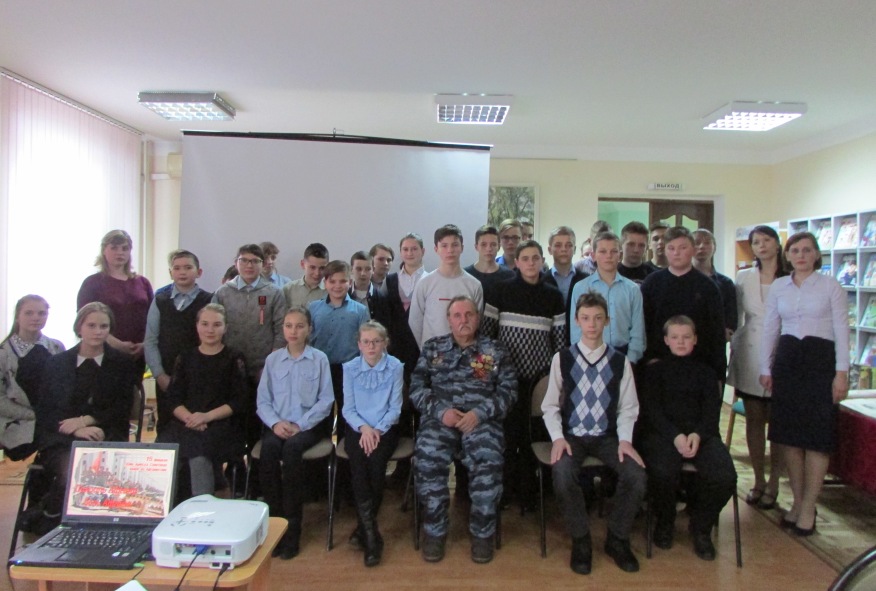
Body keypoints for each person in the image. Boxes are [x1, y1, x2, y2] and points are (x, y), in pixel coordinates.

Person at [542, 292, 646, 575]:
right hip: (572, 436)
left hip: (607, 437)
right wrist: (557, 437)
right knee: (562, 474)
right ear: (577, 321)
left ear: (607, 321)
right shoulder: (563, 359)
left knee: (636, 475)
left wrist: (625, 441)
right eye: (586, 318)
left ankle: (617, 538)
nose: (592, 324)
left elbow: (628, 407)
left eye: (598, 318)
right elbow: (549, 405)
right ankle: (581, 539)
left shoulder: (619, 361)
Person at [412, 296, 517, 564]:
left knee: (488, 459)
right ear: (449, 320)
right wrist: (441, 412)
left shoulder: (495, 350)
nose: (463, 320)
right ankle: (435, 530)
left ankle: (483, 532)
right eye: (457, 315)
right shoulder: (433, 348)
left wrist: (479, 413)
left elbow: (508, 391)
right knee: (427, 457)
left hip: (481, 421)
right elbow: (416, 388)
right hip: (441, 421)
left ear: (478, 318)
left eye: (469, 314)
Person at [760, 231, 849, 537]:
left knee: (816, 438)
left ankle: (809, 506)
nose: (801, 255)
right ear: (787, 256)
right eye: (795, 250)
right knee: (790, 437)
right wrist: (766, 366)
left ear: (817, 255)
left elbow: (842, 331)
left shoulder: (831, 286)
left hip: (820, 361)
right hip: (788, 361)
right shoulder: (779, 287)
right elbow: (771, 327)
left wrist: (841, 373)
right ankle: (797, 501)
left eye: (807, 250)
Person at [640, 316, 737, 561]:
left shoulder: (706, 373)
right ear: (666, 340)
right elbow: (652, 411)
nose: (680, 342)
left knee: (725, 476)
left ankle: (701, 527)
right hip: (665, 435)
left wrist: (697, 435)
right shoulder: (654, 372)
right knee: (662, 471)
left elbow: (711, 412)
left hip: (701, 435)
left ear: (694, 339)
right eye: (675, 337)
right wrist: (675, 436)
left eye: (686, 337)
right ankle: (665, 520)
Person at [35, 302, 138, 529]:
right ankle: (56, 520)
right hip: (62, 437)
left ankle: (87, 525)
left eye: (104, 326)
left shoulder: (121, 363)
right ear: (79, 327)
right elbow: (46, 410)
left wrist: (88, 421)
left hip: (106, 433)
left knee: (97, 468)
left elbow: (122, 407)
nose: (98, 331)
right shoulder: (56, 363)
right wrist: (77, 429)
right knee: (74, 469)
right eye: (91, 325)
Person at [483, 239, 565, 509]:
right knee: (507, 437)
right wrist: (488, 377)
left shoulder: (553, 295)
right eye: (525, 258)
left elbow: (559, 342)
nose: (531, 263)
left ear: (542, 261)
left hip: (538, 383)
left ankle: (529, 494)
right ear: (516, 262)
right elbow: (486, 336)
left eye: (535, 258)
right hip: (506, 380)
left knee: (533, 436)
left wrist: (556, 380)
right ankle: (506, 491)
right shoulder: (500, 290)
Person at [257, 306, 334, 560]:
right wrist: (275, 423)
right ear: (283, 329)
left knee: (291, 452)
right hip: (278, 424)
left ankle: (292, 531)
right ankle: (274, 525)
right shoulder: (273, 360)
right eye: (289, 326)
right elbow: (263, 401)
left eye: (300, 326)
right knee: (269, 450)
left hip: (307, 426)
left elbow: (326, 400)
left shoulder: (319, 359)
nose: (294, 331)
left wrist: (300, 424)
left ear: (309, 329)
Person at [157, 304, 248, 498]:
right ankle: (167, 506)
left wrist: (206, 417)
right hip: (186, 421)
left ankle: (202, 507)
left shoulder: (234, 358)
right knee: (163, 449)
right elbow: (173, 398)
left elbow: (239, 401)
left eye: (217, 324)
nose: (210, 330)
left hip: (220, 423)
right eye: (205, 324)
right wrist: (191, 418)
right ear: (197, 326)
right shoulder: (185, 357)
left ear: (225, 328)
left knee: (198, 455)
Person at [727, 225, 787, 509]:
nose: (761, 246)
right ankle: (759, 479)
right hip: (750, 351)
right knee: (754, 416)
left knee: (778, 421)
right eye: (756, 242)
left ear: (777, 244)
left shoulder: (789, 277)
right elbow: (737, 317)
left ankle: (775, 481)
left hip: (782, 350)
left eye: (766, 240)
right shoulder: (744, 277)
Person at [212, 244, 286, 453]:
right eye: (244, 260)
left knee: (257, 419)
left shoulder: (273, 293)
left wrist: (270, 365)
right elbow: (213, 328)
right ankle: (235, 464)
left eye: (255, 261)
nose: (249, 265)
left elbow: (281, 330)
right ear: (236, 263)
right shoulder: (223, 293)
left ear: (262, 265)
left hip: (261, 367)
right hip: (230, 367)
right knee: (232, 419)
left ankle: (255, 466)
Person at [342, 321, 403, 567]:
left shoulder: (395, 367)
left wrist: (377, 430)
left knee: (377, 465)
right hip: (357, 427)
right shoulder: (349, 368)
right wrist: (364, 429)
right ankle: (371, 536)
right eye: (366, 342)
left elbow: (395, 408)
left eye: (376, 341)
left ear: (385, 343)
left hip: (384, 428)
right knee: (358, 466)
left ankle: (364, 530)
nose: (371, 346)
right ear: (359, 344)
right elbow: (348, 408)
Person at [641, 226, 726, 379]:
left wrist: (718, 374)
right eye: (671, 248)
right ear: (665, 250)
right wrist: (648, 359)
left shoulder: (708, 286)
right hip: (658, 365)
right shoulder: (652, 283)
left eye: (682, 248)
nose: (676, 253)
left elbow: (716, 333)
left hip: (699, 366)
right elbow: (644, 325)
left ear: (693, 250)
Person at [144, 249, 213, 435]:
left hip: (198, 375)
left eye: (188, 267)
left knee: (195, 426)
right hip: (166, 375)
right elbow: (150, 340)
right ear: (170, 273)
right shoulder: (160, 301)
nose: (182, 272)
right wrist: (159, 375)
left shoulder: (209, 300)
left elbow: (213, 339)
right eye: (177, 268)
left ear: (199, 272)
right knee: (167, 426)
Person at [76, 229, 153, 376]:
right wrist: (116, 344)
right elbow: (83, 320)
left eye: (125, 248)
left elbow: (153, 318)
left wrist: (144, 344)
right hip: (103, 351)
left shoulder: (142, 282)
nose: (120, 253)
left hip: (138, 353)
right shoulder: (92, 283)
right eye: (114, 248)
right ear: (104, 250)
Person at [308, 260, 370, 438]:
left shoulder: (360, 310)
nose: (337, 286)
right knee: (322, 413)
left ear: (350, 282)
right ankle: (323, 451)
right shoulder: (314, 308)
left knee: (346, 412)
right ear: (325, 282)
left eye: (342, 281)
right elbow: (308, 339)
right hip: (320, 370)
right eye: (332, 281)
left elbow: (365, 343)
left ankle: (343, 450)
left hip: (348, 370)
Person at [0, 295, 65, 461]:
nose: (36, 317)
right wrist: (33, 415)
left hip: (55, 421)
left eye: (41, 313)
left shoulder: (57, 347)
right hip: (17, 422)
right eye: (29, 313)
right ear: (17, 316)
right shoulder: (4, 353)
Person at [569, 232, 645, 363]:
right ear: (593, 255)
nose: (608, 256)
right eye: (603, 251)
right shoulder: (580, 288)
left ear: (620, 255)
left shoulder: (632, 289)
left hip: (624, 354)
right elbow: (576, 329)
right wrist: (583, 358)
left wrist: (630, 360)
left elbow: (638, 330)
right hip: (589, 355)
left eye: (613, 251)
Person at [408, 224, 483, 348]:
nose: (450, 250)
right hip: (433, 353)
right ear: (436, 249)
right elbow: (415, 321)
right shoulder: (424, 283)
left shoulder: (474, 285)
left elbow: (477, 322)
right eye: (444, 245)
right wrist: (426, 348)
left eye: (455, 245)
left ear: (462, 248)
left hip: (465, 353)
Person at [544, 226, 589, 343]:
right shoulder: (542, 281)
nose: (564, 249)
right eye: (558, 245)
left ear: (575, 249)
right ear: (549, 249)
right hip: (548, 341)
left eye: (568, 245)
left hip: (579, 340)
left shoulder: (585, 280)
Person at [692, 228, 738, 341]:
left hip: (715, 340)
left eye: (707, 242)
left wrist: (726, 331)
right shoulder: (681, 279)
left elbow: (731, 316)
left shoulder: (725, 283)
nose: (702, 246)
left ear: (714, 247)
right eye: (697, 242)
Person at [464, 225, 515, 294]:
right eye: (483, 244)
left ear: (499, 247)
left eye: (493, 244)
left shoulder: (509, 276)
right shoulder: (466, 275)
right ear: (476, 247)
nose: (489, 249)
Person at [349, 251, 393, 329]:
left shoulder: (382, 298)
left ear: (373, 270)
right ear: (351, 270)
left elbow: (385, 328)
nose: (363, 273)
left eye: (368, 269)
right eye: (358, 269)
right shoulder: (344, 296)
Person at [283, 243, 329, 309]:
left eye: (322, 268)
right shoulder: (288, 290)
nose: (317, 273)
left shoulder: (330, 292)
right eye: (312, 267)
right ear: (302, 264)